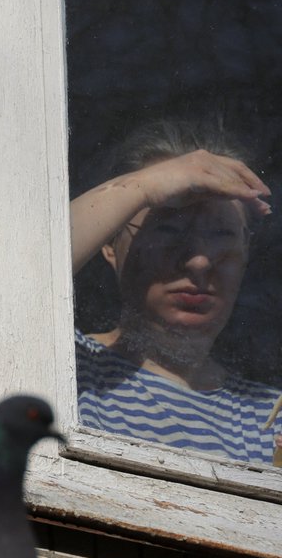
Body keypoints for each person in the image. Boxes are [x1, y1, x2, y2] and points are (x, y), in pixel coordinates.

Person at [69, 121, 282, 464]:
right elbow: (6, 288)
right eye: (167, 229)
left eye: (222, 235)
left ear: (246, 254)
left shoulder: (268, 417)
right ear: (109, 242)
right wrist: (144, 186)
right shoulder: (68, 370)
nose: (199, 261)